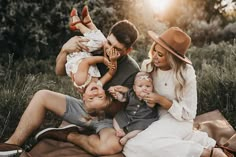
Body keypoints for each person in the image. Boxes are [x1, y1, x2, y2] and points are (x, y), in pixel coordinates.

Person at [0, 12, 140, 157]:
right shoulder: (96, 47)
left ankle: (68, 135)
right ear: (108, 36)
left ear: (128, 50)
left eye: (117, 49)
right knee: (42, 96)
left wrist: (104, 102)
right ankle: (12, 145)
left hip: (107, 119)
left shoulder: (132, 70)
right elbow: (59, 71)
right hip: (83, 108)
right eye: (109, 42)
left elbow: (123, 109)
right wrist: (64, 50)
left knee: (111, 146)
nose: (109, 49)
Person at [122, 27, 228, 157]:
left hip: (179, 120)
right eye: (154, 49)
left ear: (172, 58)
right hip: (152, 117)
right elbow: (140, 92)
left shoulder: (185, 73)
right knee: (137, 145)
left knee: (132, 147)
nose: (154, 56)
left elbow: (189, 113)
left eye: (160, 55)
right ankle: (196, 140)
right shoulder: (148, 66)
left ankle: (204, 153)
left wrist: (161, 100)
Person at [66, 6, 119, 92]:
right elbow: (110, 73)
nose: (95, 94)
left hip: (77, 52)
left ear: (84, 97)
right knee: (104, 42)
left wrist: (103, 60)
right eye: (100, 96)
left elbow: (86, 62)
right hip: (85, 54)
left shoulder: (81, 81)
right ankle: (88, 23)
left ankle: (77, 25)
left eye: (91, 98)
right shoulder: (97, 84)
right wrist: (113, 60)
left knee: (101, 42)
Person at [108, 71, 159, 145]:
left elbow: (152, 105)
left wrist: (145, 98)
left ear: (152, 87)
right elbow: (123, 99)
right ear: (134, 88)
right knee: (117, 118)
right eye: (140, 86)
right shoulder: (131, 93)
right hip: (128, 115)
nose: (144, 88)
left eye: (148, 86)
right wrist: (117, 94)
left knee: (140, 129)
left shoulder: (151, 97)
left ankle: (127, 137)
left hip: (143, 119)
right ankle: (119, 130)